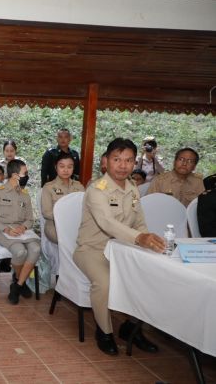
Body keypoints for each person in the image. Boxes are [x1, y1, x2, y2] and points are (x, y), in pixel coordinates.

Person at [74, 138, 165, 356]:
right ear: (106, 161)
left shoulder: (133, 188)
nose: (123, 165)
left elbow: (139, 221)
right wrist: (139, 237)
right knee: (104, 283)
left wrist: (147, 242)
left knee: (150, 275)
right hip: (92, 250)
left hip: (123, 248)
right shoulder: (97, 189)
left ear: (135, 162)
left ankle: (131, 327)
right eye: (117, 159)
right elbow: (107, 222)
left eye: (128, 160)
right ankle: (104, 332)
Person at [0, 159, 40, 305]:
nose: (27, 176)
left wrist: (23, 227)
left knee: (36, 248)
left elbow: (30, 219)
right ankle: (21, 282)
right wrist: (6, 229)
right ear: (15, 175)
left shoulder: (24, 194)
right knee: (20, 251)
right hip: (1, 229)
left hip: (21, 231)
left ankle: (17, 284)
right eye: (25, 173)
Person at [41, 152, 84, 243]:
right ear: (56, 167)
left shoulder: (79, 186)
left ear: (73, 168)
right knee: (68, 240)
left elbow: (85, 208)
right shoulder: (48, 187)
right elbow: (46, 212)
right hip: (54, 225)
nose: (66, 170)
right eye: (62, 166)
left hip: (76, 225)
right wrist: (65, 217)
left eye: (69, 167)